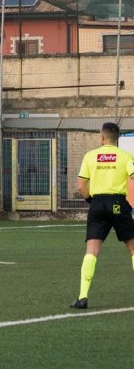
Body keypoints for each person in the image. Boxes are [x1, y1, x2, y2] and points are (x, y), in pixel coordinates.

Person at [63, 122, 134, 309]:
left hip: (97, 204)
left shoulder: (90, 156)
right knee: (133, 249)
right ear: (116, 138)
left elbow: (81, 186)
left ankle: (82, 297)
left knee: (92, 251)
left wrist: (90, 201)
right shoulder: (126, 156)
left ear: (102, 137)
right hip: (118, 203)